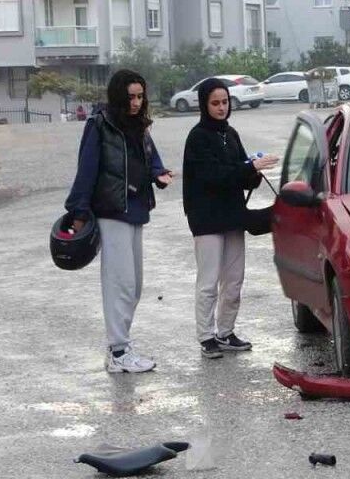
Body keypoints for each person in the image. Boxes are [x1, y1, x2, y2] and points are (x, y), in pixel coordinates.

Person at [65, 69, 173, 374]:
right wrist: (78, 212)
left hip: (136, 209)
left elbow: (152, 159)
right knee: (120, 283)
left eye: (140, 96)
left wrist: (159, 175)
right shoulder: (99, 125)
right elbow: (86, 169)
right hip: (111, 211)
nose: (136, 103)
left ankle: (121, 346)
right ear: (118, 97)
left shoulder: (140, 126)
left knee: (135, 285)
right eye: (130, 97)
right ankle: (118, 351)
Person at [182, 78, 279, 360]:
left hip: (233, 216)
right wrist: (248, 167)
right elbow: (213, 176)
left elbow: (240, 174)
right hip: (206, 219)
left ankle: (225, 331)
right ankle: (206, 336)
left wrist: (254, 172)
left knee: (234, 280)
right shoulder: (197, 137)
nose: (221, 108)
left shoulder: (231, 134)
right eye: (215, 103)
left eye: (225, 102)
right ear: (204, 104)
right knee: (209, 281)